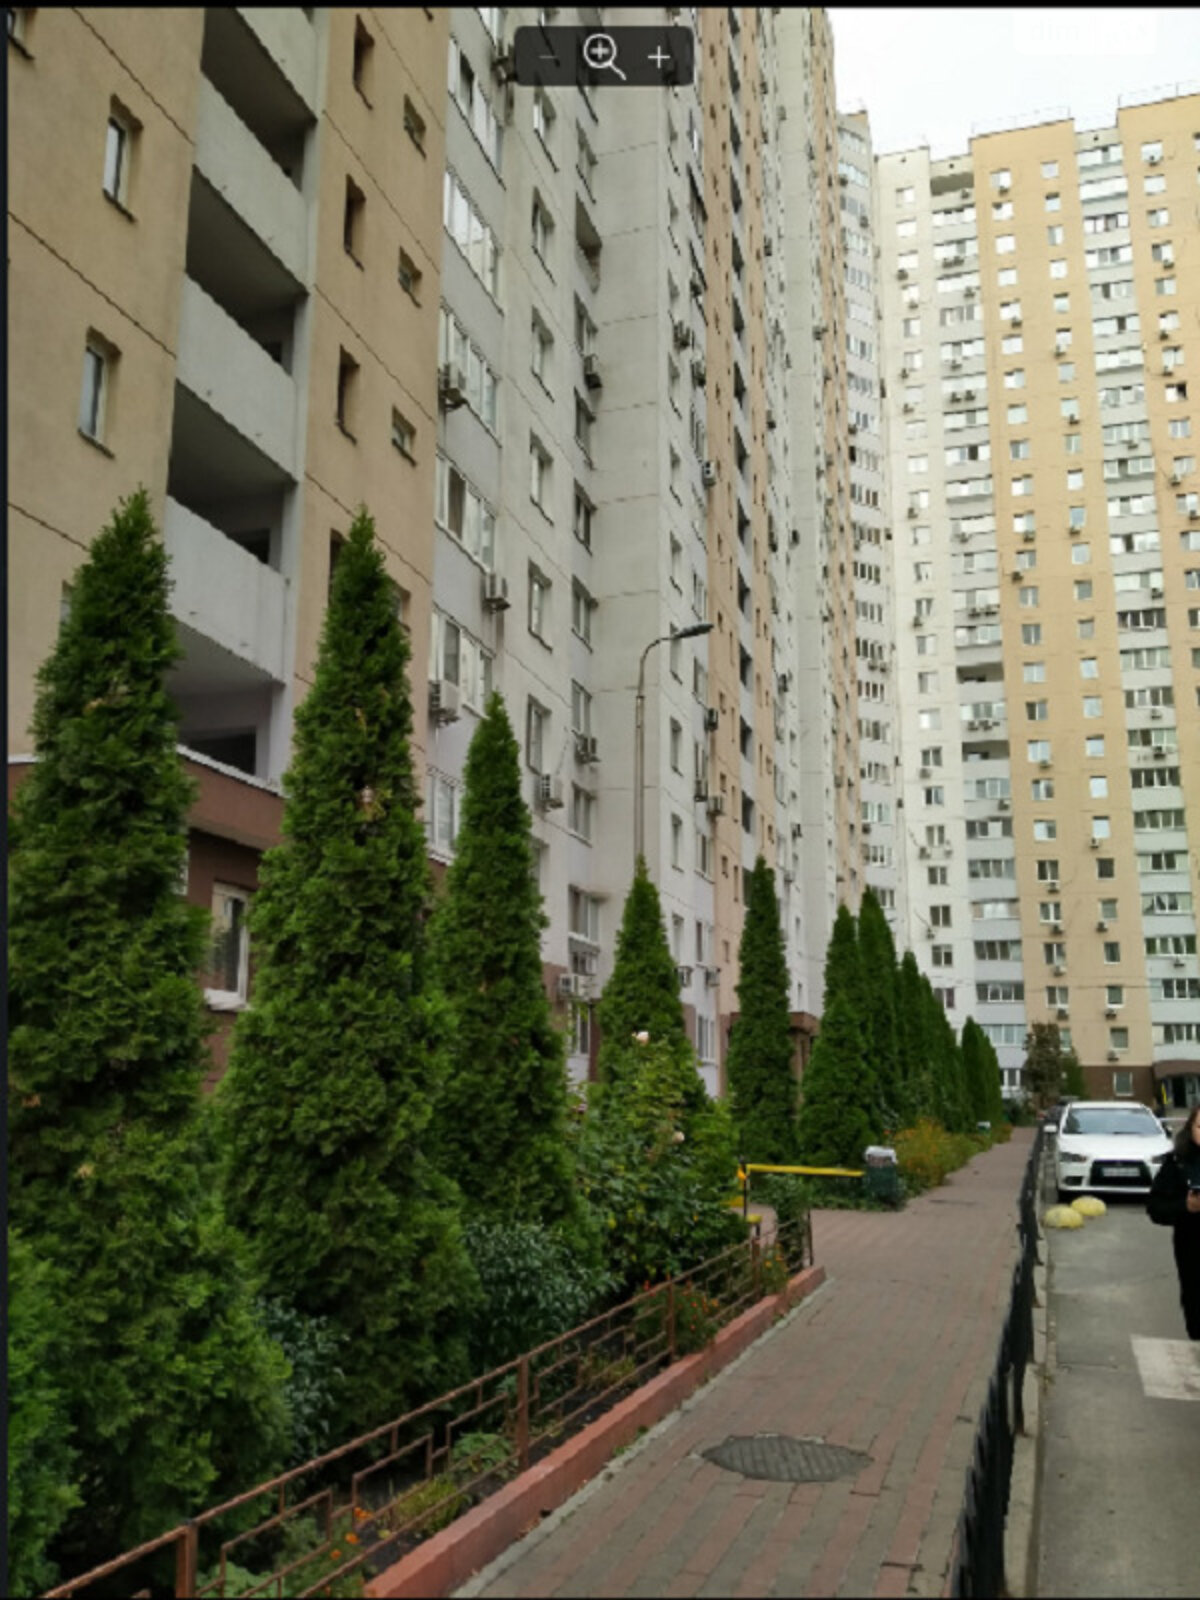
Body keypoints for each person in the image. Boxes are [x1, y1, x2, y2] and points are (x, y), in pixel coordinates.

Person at [1147, 1101, 1200, 1340]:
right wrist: (1185, 1207)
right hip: (1193, 1250)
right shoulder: (1178, 1163)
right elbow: (1155, 1208)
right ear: (1190, 1129)